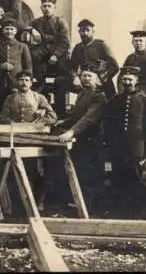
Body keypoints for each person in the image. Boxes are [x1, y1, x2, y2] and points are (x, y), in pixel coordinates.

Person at [0, 71, 58, 211]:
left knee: (36, 171)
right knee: (15, 170)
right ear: (16, 82)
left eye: (27, 80)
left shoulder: (39, 98)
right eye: (21, 80)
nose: (24, 83)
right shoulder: (10, 98)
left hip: (34, 139)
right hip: (16, 138)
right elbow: (3, 118)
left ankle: (38, 202)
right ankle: (17, 204)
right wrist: (15, 125)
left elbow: (53, 117)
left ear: (31, 82)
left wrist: (41, 117)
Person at [103, 66, 146, 218]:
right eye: (124, 79)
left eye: (130, 79)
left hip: (136, 147)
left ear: (136, 81)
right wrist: (110, 142)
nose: (127, 82)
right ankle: (120, 211)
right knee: (118, 176)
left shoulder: (144, 100)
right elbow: (108, 123)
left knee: (135, 177)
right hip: (118, 147)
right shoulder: (115, 100)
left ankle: (137, 211)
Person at [57, 63, 107, 212]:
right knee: (80, 170)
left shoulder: (99, 96)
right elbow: (76, 116)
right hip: (81, 139)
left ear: (97, 79)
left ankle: (90, 208)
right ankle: (79, 204)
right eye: (83, 76)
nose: (85, 79)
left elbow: (88, 118)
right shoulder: (82, 93)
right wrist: (63, 122)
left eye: (89, 76)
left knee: (90, 173)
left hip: (92, 140)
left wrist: (71, 132)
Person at [26, 0, 71, 117]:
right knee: (39, 80)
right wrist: (31, 30)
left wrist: (56, 55)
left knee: (60, 82)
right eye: (44, 6)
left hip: (59, 59)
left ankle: (60, 113)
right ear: (41, 7)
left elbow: (65, 42)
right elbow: (24, 27)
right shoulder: (37, 22)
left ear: (54, 8)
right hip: (43, 58)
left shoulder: (60, 22)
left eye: (49, 6)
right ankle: (42, 110)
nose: (46, 9)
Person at [0, 18, 32, 121]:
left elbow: (28, 66)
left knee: (16, 105)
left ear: (16, 31)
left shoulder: (22, 47)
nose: (9, 31)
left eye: (12, 29)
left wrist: (27, 81)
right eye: (7, 29)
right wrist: (0, 66)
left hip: (16, 81)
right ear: (2, 30)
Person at [70, 19, 119, 100]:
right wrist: (75, 77)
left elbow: (114, 66)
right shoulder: (77, 48)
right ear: (79, 32)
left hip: (101, 83)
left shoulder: (101, 46)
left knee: (109, 105)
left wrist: (102, 79)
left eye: (87, 30)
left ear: (93, 32)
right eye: (82, 31)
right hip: (85, 82)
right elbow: (71, 67)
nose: (85, 33)